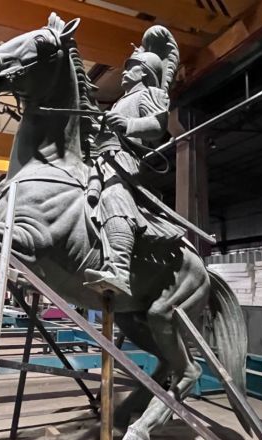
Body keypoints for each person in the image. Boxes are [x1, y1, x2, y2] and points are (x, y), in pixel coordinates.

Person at [83, 26, 182, 296]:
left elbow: (157, 126)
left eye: (132, 68)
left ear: (145, 73)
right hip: (103, 160)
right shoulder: (118, 102)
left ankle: (119, 270)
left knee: (113, 197)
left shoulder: (150, 94)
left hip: (126, 160)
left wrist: (127, 124)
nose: (125, 72)